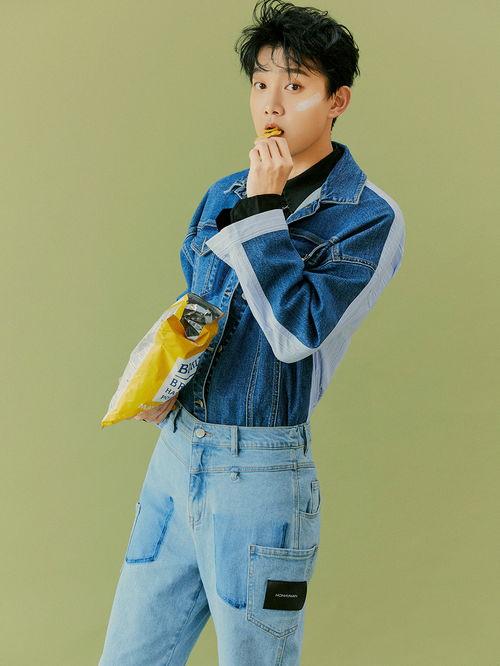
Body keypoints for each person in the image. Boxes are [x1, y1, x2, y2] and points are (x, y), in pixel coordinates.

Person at [99, 1, 405, 663]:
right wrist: (166, 382)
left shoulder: (367, 217)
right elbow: (201, 309)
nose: (271, 102)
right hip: (177, 454)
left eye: (295, 86)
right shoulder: (223, 192)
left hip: (260, 472)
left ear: (337, 101)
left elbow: (297, 334)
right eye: (261, 83)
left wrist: (264, 211)